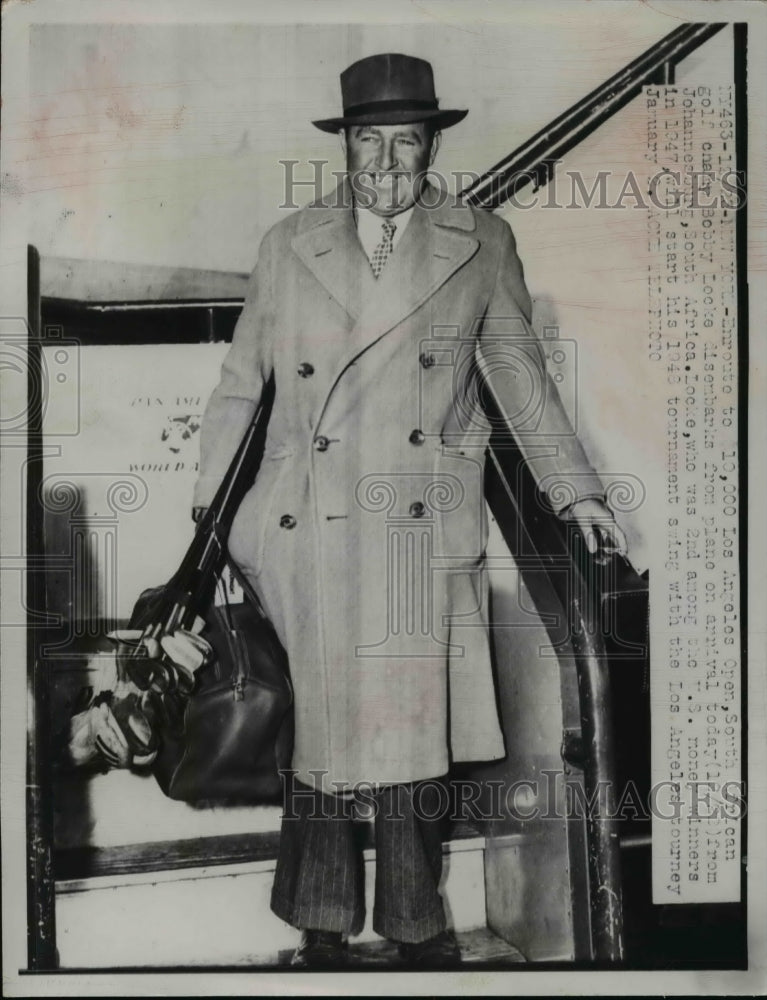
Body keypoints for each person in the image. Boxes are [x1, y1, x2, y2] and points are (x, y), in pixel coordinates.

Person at [192, 52, 627, 967]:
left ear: (431, 147)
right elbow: (240, 388)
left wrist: (577, 494)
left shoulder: (480, 240)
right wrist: (215, 519)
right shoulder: (288, 242)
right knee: (316, 736)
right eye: (368, 141)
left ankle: (416, 922)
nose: (387, 160)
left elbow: (521, 382)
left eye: (406, 140)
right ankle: (318, 919)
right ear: (344, 148)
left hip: (417, 525)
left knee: (409, 739)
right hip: (302, 525)